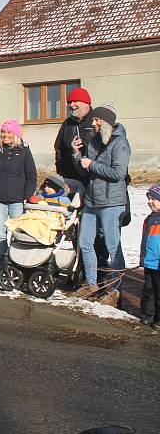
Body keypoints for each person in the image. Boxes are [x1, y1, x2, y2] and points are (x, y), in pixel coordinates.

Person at [71, 104, 131, 296]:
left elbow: (118, 174)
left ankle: (115, 291)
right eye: (94, 119)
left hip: (112, 202)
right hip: (92, 200)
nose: (93, 123)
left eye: (97, 120)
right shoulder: (94, 141)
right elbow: (84, 170)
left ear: (107, 122)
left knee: (113, 246)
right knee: (85, 242)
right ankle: (91, 284)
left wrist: (93, 164)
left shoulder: (120, 143)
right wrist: (77, 154)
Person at [0, 120, 37, 272]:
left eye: (9, 132)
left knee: (18, 232)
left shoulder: (24, 152)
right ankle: (1, 265)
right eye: (3, 132)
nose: (6, 135)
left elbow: (31, 175)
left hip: (17, 200)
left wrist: (27, 195)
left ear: (16, 134)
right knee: (0, 233)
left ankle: (17, 263)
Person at [54, 87, 95, 195]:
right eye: (69, 102)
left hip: (93, 180)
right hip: (71, 179)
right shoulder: (67, 124)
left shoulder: (96, 121)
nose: (71, 105)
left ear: (86, 103)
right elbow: (59, 149)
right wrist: (62, 172)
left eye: (75, 101)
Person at [139, 184, 160, 330]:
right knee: (148, 290)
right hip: (149, 263)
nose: (150, 201)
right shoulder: (149, 219)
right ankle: (148, 315)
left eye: (154, 199)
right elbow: (144, 241)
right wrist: (142, 259)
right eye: (149, 198)